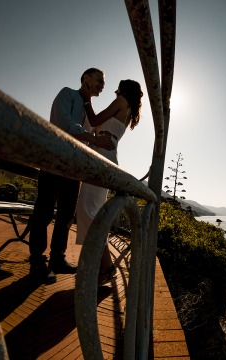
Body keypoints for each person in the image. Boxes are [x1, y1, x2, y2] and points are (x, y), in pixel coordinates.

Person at [29, 68, 115, 284]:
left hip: (74, 168)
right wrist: (93, 140)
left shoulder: (90, 109)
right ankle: (36, 262)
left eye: (103, 82)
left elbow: (92, 138)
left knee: (66, 215)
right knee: (44, 210)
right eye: (99, 80)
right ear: (86, 78)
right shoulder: (66, 94)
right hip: (54, 159)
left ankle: (57, 259)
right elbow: (65, 124)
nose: (102, 85)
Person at [76, 79, 143, 284]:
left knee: (87, 211)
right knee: (91, 212)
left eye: (118, 87)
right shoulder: (129, 108)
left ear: (124, 90)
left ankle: (104, 268)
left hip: (102, 156)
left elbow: (95, 121)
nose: (115, 90)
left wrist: (87, 101)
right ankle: (105, 268)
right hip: (105, 155)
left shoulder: (121, 101)